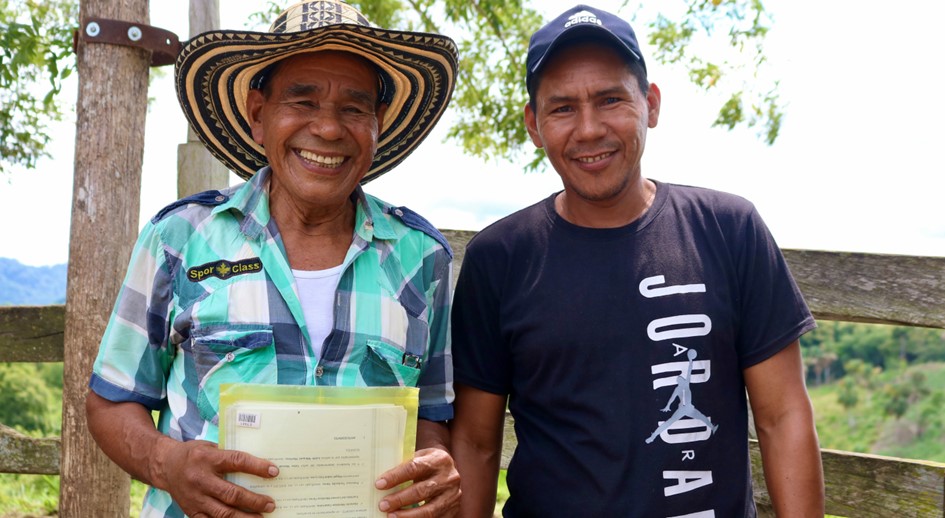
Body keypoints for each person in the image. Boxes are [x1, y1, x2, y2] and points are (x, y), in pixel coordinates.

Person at [85, 2, 461, 516]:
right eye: (302, 101)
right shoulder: (179, 238)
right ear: (258, 115)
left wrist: (433, 465)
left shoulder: (422, 257)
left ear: (378, 123)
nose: (328, 130)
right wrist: (165, 464)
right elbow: (111, 401)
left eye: (354, 108)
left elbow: (432, 415)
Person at [449, 4, 825, 517]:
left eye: (610, 100)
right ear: (534, 125)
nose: (588, 129)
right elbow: (473, 442)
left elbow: (783, 416)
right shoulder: (500, 258)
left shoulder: (728, 228)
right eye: (562, 108)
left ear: (650, 104)